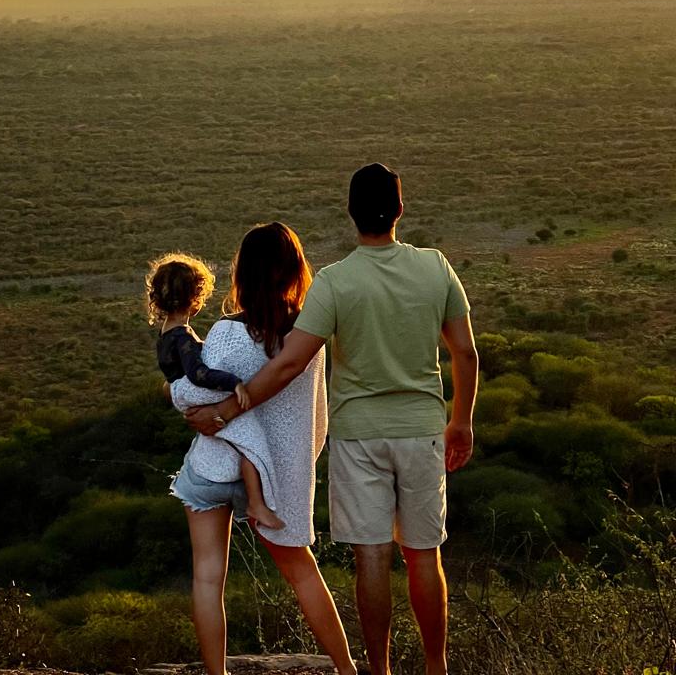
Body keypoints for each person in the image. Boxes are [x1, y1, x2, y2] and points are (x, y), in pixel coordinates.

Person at [187, 164, 479, 675]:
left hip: (359, 438)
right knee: (423, 555)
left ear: (351, 213)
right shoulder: (436, 267)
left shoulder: (336, 281)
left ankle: (378, 670)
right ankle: (437, 667)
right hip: (422, 431)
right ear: (400, 209)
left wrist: (226, 409)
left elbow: (288, 364)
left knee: (372, 558)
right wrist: (462, 422)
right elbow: (466, 353)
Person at [168, 223, 358, 675]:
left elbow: (196, 393)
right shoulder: (308, 337)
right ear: (294, 270)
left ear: (243, 272)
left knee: (208, 578)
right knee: (302, 573)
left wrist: (174, 391)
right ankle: (347, 669)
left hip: (214, 467)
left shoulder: (226, 332)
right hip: (276, 475)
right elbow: (312, 414)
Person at [146, 252, 283, 529]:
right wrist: (234, 382)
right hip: (195, 391)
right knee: (250, 437)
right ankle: (256, 502)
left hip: (183, 394)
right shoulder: (183, 337)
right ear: (195, 300)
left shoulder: (166, 333)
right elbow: (198, 374)